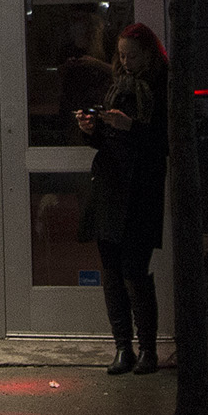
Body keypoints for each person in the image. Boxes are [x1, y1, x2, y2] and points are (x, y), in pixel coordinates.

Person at [76, 22, 169, 376]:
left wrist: (131, 127)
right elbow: (106, 141)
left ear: (148, 53)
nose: (125, 61)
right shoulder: (116, 85)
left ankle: (148, 349)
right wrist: (92, 129)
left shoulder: (159, 86)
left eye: (131, 55)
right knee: (112, 273)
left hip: (140, 189)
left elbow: (162, 142)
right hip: (110, 186)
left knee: (134, 271)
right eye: (121, 55)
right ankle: (122, 347)